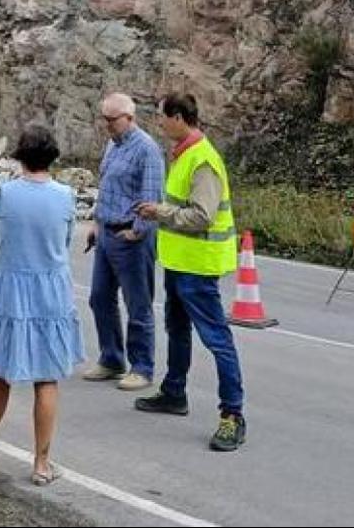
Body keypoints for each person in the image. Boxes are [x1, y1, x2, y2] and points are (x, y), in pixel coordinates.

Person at [0, 124, 84, 486]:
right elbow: (66, 237)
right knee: (47, 377)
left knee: (2, 373)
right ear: (51, 157)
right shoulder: (65, 195)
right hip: (51, 288)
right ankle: (42, 464)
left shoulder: (6, 192)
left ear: (20, 156)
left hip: (12, 286)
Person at [132, 93, 247, 452]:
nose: (160, 124)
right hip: (181, 263)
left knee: (216, 340)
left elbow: (202, 216)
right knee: (177, 329)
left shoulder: (203, 160)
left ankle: (232, 415)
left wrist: (160, 213)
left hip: (198, 267)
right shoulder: (184, 154)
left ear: (180, 117)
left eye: (164, 118)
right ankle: (174, 392)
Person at [84, 92, 166, 391]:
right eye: (104, 119)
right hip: (106, 232)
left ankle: (142, 366)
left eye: (112, 120)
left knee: (138, 304)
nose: (107, 125)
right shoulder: (112, 145)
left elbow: (153, 195)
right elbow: (106, 186)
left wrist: (138, 230)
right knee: (99, 297)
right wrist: (96, 222)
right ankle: (111, 358)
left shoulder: (146, 150)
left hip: (131, 237)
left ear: (129, 118)